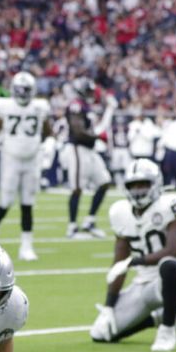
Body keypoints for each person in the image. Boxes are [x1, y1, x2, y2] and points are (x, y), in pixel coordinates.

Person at [90, 159, 176, 352]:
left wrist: (135, 260)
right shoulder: (121, 212)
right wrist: (109, 306)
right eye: (134, 185)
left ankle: (167, 329)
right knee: (101, 334)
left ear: (156, 184)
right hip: (143, 285)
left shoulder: (170, 204)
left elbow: (174, 251)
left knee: (168, 265)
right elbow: (119, 262)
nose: (138, 190)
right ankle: (159, 317)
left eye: (144, 184)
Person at [0, 71, 52, 261]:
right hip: (10, 158)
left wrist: (48, 151)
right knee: (5, 201)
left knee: (28, 203)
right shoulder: (4, 106)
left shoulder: (40, 107)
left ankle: (26, 246)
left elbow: (49, 134)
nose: (22, 94)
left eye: (25, 90)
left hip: (32, 159)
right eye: (19, 90)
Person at [60, 77, 114, 238]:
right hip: (78, 149)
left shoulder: (86, 106)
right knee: (77, 188)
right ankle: (72, 227)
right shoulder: (76, 105)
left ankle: (90, 221)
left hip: (90, 150)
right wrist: (97, 136)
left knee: (104, 182)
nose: (92, 94)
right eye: (89, 91)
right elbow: (78, 131)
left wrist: (96, 136)